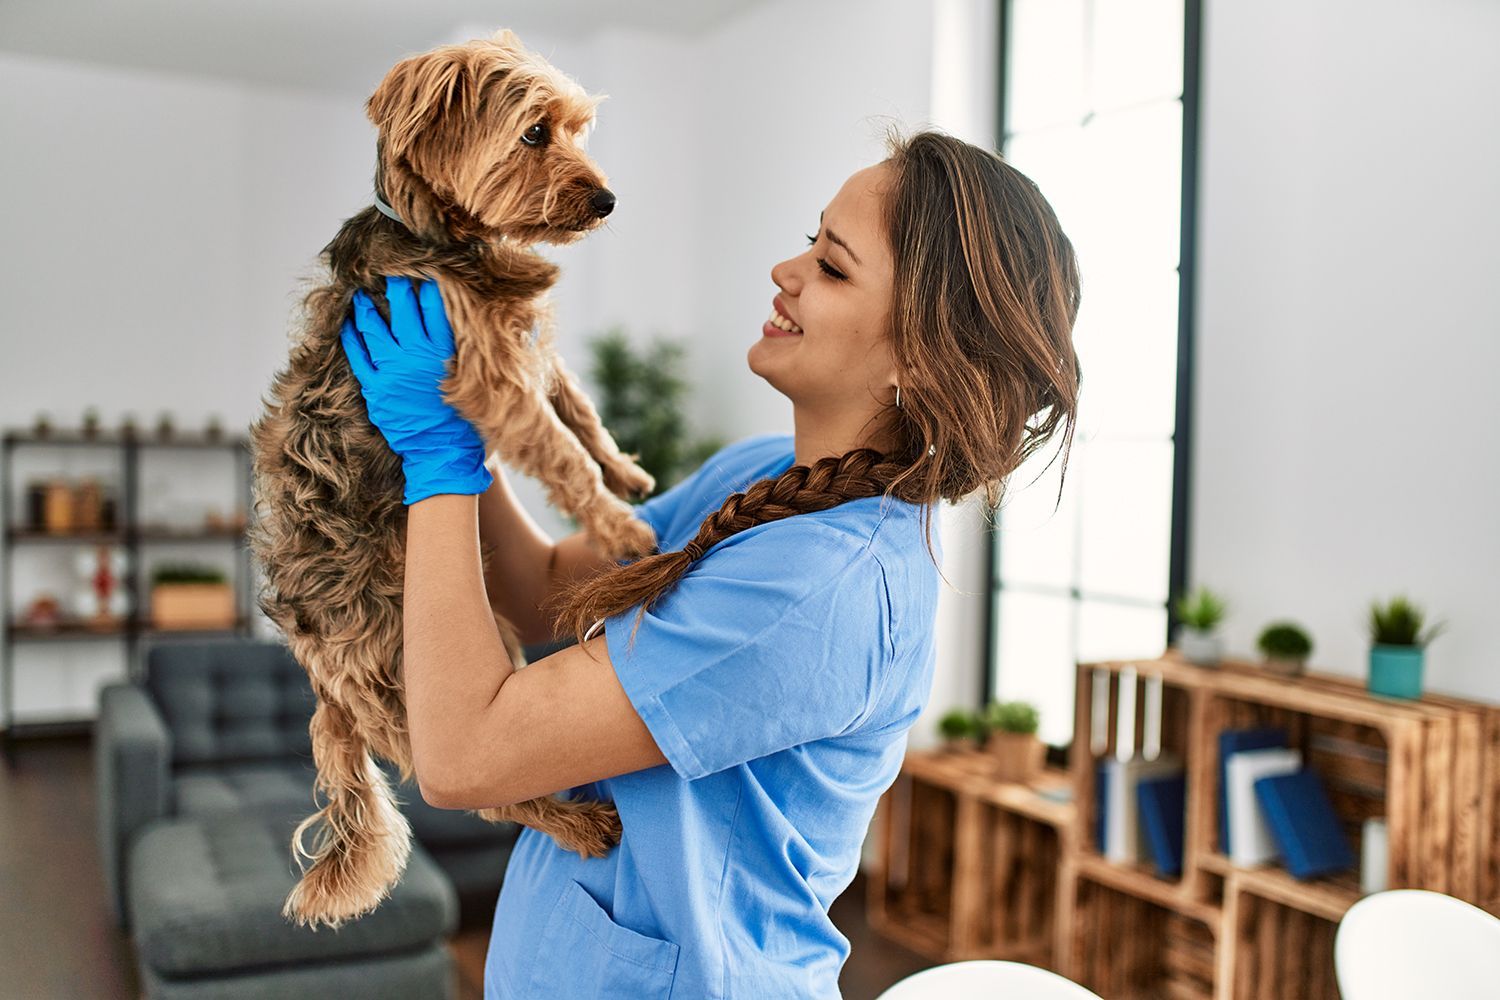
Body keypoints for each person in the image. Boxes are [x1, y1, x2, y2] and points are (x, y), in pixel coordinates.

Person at [340, 127, 1081, 999]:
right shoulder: (766, 474)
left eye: (833, 267)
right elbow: (545, 592)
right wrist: (462, 427)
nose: (787, 269)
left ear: (916, 360)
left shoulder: (818, 591)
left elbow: (465, 757)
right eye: (812, 238)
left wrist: (436, 463)